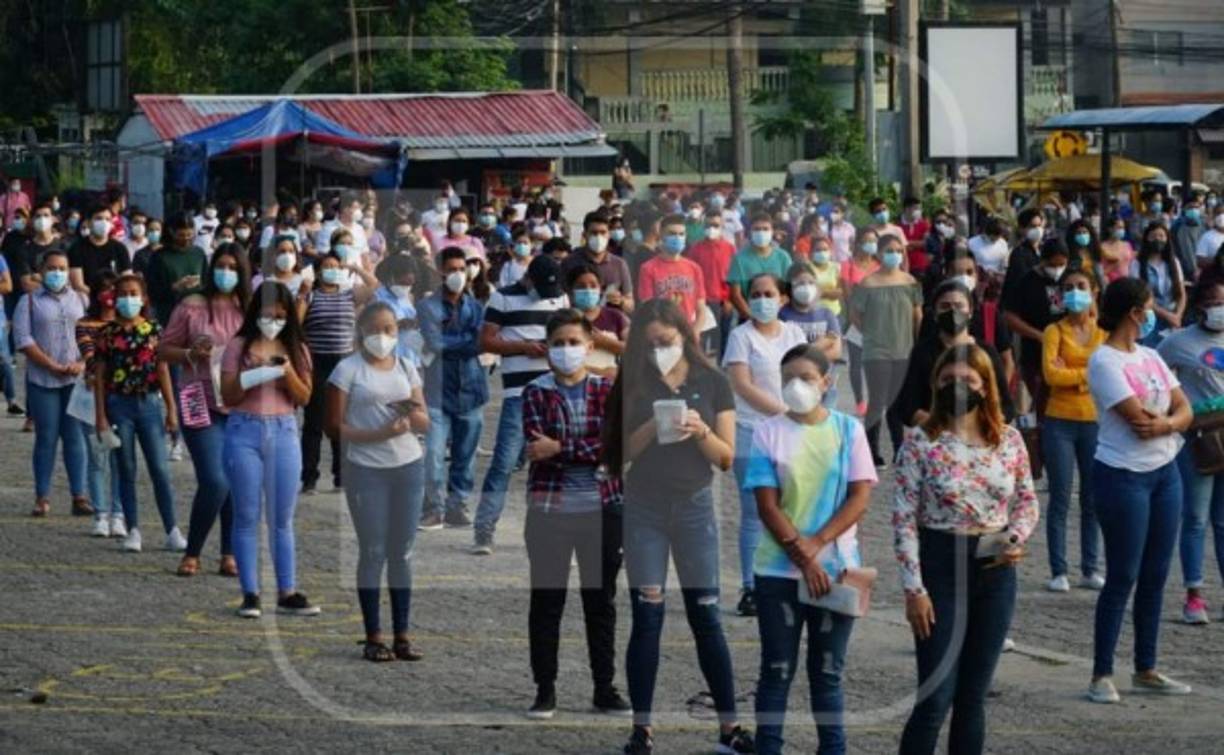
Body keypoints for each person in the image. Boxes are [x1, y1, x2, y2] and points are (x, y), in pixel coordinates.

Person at [602, 298, 755, 755]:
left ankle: (729, 726)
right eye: (650, 344)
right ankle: (642, 729)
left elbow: (725, 457)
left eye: (666, 342)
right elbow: (618, 455)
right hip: (645, 507)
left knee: (706, 616)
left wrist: (700, 430)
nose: (658, 351)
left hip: (694, 507)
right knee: (647, 616)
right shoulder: (633, 380)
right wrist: (653, 425)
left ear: (684, 336)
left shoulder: (713, 381)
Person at [894, 344, 1038, 754]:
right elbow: (904, 520)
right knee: (936, 695)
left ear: (985, 386)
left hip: (995, 561)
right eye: (948, 380)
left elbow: (1026, 500)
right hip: (941, 560)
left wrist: (1016, 537)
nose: (956, 387)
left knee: (973, 697)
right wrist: (914, 589)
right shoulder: (920, 442)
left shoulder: (1008, 440)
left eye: (967, 381)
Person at [747, 344, 876, 754]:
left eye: (805, 378)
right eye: (787, 379)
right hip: (777, 573)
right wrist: (804, 558)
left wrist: (817, 547)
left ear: (826, 382)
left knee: (828, 674)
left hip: (836, 572)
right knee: (776, 671)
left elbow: (859, 497)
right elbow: (767, 505)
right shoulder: (767, 431)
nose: (796, 386)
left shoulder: (848, 430)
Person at [518, 309, 631, 719]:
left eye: (574, 342)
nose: (566, 350)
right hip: (550, 509)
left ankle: (604, 687)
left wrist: (563, 448)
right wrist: (586, 448)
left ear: (590, 346)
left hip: (602, 509)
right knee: (547, 601)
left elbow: (614, 447)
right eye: (558, 343)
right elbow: (538, 448)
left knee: (600, 601)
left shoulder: (607, 389)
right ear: (547, 348)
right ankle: (545, 688)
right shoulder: (535, 392)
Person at [1087, 277, 1193, 703]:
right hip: (1122, 475)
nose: (1152, 313)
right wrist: (1170, 422)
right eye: (1148, 307)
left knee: (1156, 575)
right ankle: (1101, 673)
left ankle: (1145, 667)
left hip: (1165, 473)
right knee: (1123, 574)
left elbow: (1183, 408)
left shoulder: (1151, 355)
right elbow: (1137, 419)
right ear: (1134, 312)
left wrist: (1168, 424)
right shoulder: (1104, 361)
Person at [326, 301, 429, 661]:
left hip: (408, 465)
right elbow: (334, 426)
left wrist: (410, 414)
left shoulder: (407, 366)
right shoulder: (347, 370)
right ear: (361, 332)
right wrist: (379, 434)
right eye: (374, 330)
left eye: (389, 330)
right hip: (366, 469)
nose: (382, 337)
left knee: (402, 552)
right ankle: (374, 636)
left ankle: (402, 634)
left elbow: (425, 421)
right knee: (373, 550)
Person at [220, 281, 319, 619]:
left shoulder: (297, 348)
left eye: (279, 315)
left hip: (283, 429)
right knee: (246, 514)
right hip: (244, 429)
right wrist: (255, 375)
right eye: (267, 314)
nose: (272, 321)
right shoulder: (238, 346)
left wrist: (285, 371)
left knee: (282, 518)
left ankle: (287, 590)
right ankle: (250, 593)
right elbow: (228, 395)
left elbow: (304, 396)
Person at [160, 244, 249, 576]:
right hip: (196, 395)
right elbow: (164, 349)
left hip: (239, 400)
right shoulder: (191, 306)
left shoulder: (249, 309)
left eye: (233, 267)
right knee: (214, 478)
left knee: (236, 479)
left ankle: (229, 552)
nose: (226, 272)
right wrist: (190, 354)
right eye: (221, 266)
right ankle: (193, 551)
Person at [472, 255, 570, 554]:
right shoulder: (503, 298)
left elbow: (568, 335)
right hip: (519, 393)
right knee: (504, 462)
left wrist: (556, 349)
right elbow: (486, 341)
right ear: (528, 279)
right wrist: (523, 348)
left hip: (554, 390)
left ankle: (552, 531)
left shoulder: (559, 298)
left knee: (554, 463)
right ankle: (484, 528)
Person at [724, 273, 809, 616]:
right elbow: (742, 385)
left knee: (793, 507)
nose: (762, 300)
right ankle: (751, 586)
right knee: (754, 512)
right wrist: (784, 411)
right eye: (755, 294)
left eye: (768, 293)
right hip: (751, 430)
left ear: (783, 298)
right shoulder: (740, 336)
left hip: (793, 432)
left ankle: (789, 578)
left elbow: (807, 374)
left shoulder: (794, 334)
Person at [93, 273, 182, 553]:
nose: (128, 299)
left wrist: (172, 409)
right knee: (126, 468)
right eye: (122, 294)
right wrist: (100, 415)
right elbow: (100, 376)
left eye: (133, 294)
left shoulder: (153, 329)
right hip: (118, 405)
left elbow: (162, 369)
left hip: (149, 404)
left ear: (143, 298)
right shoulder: (107, 333)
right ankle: (133, 529)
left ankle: (172, 529)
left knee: (160, 468)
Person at [1157, 277, 1224, 625]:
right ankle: (1194, 595)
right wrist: (1173, 412)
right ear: (1199, 307)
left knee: (1223, 522)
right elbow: (1154, 375)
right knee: (1196, 518)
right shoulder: (1178, 342)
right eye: (1213, 303)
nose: (1219, 309)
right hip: (1198, 440)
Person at [1041, 267, 1107, 593]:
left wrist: (1073, 372)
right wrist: (1087, 374)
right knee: (1061, 497)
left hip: (1094, 421)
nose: (1075, 292)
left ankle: (1090, 567)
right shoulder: (1054, 330)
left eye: (1081, 286)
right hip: (1059, 421)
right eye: (1068, 287)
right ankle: (1059, 569)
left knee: (1092, 499)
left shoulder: (1104, 333)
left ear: (1094, 291)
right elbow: (1051, 375)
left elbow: (1106, 373)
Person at [13, 249, 90, 517]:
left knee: (75, 437)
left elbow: (92, 335)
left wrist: (82, 363)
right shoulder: (28, 301)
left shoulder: (80, 299)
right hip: (43, 380)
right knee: (46, 437)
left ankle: (79, 495)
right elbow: (23, 339)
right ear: (42, 271)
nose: (57, 273)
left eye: (62, 268)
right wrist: (51, 365)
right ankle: (42, 496)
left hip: (75, 379)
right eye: (52, 268)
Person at [417, 247, 489, 530]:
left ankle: (457, 505)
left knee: (465, 456)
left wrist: (458, 342)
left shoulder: (476, 306)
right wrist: (467, 341)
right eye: (452, 269)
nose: (458, 274)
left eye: (462, 269)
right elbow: (436, 343)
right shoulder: (427, 307)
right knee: (434, 456)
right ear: (440, 271)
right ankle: (434, 508)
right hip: (438, 390)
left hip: (472, 389)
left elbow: (480, 342)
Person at [297, 248, 375, 495]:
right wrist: (302, 293)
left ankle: (341, 476)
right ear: (318, 272)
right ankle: (309, 477)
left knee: (341, 421)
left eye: (336, 266)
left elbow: (375, 286)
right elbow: (296, 324)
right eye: (327, 267)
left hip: (343, 364)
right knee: (314, 422)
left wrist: (355, 268)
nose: (332, 270)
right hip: (317, 363)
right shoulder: (311, 296)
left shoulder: (349, 294)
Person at [890, 279, 1013, 430]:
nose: (953, 311)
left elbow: (1005, 406)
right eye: (945, 306)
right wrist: (940, 426)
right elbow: (907, 406)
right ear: (935, 313)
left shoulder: (986, 352)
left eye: (959, 306)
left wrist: (978, 426)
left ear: (970, 311)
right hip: (935, 435)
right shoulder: (922, 353)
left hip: (979, 435)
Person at [848, 234, 922, 464]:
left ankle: (899, 448)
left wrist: (916, 341)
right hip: (876, 351)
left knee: (897, 401)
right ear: (879, 253)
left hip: (904, 349)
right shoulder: (867, 283)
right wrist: (870, 332)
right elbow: (854, 314)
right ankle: (871, 451)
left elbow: (917, 314)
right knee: (877, 401)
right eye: (889, 250)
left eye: (899, 251)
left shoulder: (910, 282)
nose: (895, 255)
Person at [75, 272, 123, 537]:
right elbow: (91, 358)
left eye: (113, 289)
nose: (109, 295)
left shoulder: (127, 323)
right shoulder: (84, 324)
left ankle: (119, 514)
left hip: (122, 397)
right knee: (97, 458)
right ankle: (100, 514)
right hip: (93, 396)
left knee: (120, 458)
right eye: (104, 289)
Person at [1003, 238, 1072, 419]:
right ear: (1043, 261)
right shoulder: (1028, 281)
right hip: (1035, 352)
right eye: (1052, 265)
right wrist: (1039, 335)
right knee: (1043, 401)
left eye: (1061, 265)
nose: (1057, 270)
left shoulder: (1071, 278)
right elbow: (1010, 316)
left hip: (1068, 349)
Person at [636, 214, 707, 327]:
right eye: (672, 233)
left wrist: (694, 332)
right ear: (661, 235)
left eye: (681, 234)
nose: (677, 238)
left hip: (688, 329)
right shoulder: (648, 268)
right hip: (661, 330)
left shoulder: (695, 268)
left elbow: (701, 309)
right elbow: (647, 308)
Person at [840, 229, 880, 416]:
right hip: (856, 319)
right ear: (858, 243)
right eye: (867, 241)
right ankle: (860, 401)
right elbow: (848, 296)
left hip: (879, 320)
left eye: (874, 241)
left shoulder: (880, 265)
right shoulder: (848, 265)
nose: (871, 244)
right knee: (856, 363)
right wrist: (855, 318)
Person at [562, 211, 635, 313]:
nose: (598, 237)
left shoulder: (619, 264)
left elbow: (630, 305)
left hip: (610, 320)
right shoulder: (570, 263)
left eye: (603, 232)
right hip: (578, 319)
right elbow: (562, 300)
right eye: (594, 233)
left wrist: (621, 301)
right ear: (584, 235)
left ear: (609, 235)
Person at [687, 210, 737, 357]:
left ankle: (721, 368)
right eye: (708, 225)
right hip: (702, 303)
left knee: (722, 342)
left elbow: (734, 276)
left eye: (715, 225)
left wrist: (729, 300)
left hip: (722, 302)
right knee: (700, 342)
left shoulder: (730, 248)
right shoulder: (695, 249)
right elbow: (690, 277)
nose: (711, 228)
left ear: (722, 226)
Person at [566, 264, 628, 379]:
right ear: (571, 290)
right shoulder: (563, 319)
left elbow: (634, 350)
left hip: (609, 384)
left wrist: (604, 342)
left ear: (600, 289)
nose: (588, 290)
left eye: (593, 285)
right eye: (581, 286)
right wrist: (597, 372)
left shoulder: (616, 316)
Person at [727, 213, 792, 321]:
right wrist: (753, 318)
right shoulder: (739, 259)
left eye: (765, 229)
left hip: (779, 316)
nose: (761, 232)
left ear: (772, 232)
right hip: (748, 317)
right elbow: (735, 295)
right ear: (750, 232)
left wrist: (774, 312)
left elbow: (789, 289)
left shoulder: (783, 257)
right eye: (757, 229)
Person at [146, 212, 207, 326]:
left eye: (189, 235)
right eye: (181, 235)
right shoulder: (159, 257)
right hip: (170, 314)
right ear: (171, 232)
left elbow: (206, 281)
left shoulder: (199, 253)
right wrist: (175, 287)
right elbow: (153, 292)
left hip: (197, 314)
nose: (186, 239)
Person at [1129, 223, 1186, 346]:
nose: (1157, 239)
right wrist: (1168, 316)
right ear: (1146, 239)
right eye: (1153, 236)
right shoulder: (1137, 264)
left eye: (1161, 236)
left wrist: (1178, 315)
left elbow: (1182, 294)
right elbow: (1141, 297)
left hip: (1173, 318)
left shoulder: (1174, 262)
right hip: (1149, 318)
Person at [780, 261, 841, 361]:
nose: (806, 287)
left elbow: (835, 351)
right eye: (800, 283)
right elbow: (782, 352)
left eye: (811, 283)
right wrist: (820, 344)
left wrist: (800, 356)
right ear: (789, 287)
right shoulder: (781, 315)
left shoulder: (827, 314)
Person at [68, 205, 127, 295]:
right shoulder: (76, 248)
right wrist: (99, 297)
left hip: (115, 298)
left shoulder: (120, 248)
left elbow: (127, 278)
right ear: (88, 222)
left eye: (107, 219)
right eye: (99, 218)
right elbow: (78, 284)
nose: (104, 222)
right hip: (85, 298)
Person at [1170, 193, 1204, 284]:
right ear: (1184, 209)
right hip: (1187, 269)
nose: (1194, 210)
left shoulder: (1201, 223)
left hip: (1201, 267)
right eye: (1190, 207)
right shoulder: (1180, 226)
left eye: (1197, 207)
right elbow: (1186, 251)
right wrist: (1194, 269)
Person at [899, 197, 931, 275]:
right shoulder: (897, 226)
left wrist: (907, 243)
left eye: (919, 209)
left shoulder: (924, 224)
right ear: (907, 209)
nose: (919, 211)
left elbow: (926, 243)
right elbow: (898, 246)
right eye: (916, 208)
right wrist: (917, 244)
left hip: (921, 265)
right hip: (903, 266)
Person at [1099, 215, 1135, 283]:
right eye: (1119, 227)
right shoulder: (1102, 247)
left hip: (1126, 282)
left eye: (1123, 228)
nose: (1121, 230)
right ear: (1110, 229)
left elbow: (1131, 265)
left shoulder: (1127, 245)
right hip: (1110, 282)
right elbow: (1100, 270)